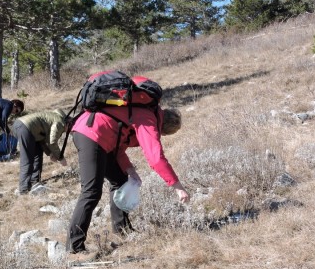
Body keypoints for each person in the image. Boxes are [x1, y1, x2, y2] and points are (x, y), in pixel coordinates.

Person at [66, 77, 190, 258]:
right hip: (91, 135)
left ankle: (122, 230)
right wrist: (178, 187)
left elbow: (118, 146)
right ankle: (74, 248)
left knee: (121, 180)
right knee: (91, 191)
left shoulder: (137, 111)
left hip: (95, 134)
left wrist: (130, 170)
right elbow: (156, 158)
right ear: (163, 127)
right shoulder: (148, 118)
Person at [12, 109, 68, 194]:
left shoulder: (54, 118)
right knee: (27, 160)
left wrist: (50, 153)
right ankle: (23, 189)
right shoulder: (60, 123)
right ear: (69, 124)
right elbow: (52, 142)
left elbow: (42, 139)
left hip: (24, 127)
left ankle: (35, 182)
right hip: (25, 127)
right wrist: (60, 157)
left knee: (37, 154)